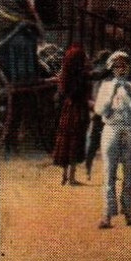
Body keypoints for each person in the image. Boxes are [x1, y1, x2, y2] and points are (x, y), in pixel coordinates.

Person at [92, 50, 131, 228]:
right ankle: (107, 215)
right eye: (117, 66)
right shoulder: (105, 87)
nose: (120, 69)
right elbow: (100, 111)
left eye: (123, 65)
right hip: (111, 128)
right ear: (111, 68)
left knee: (129, 175)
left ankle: (129, 213)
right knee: (109, 173)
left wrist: (130, 97)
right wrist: (111, 94)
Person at [51, 41, 91, 186]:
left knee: (66, 142)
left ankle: (64, 177)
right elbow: (82, 93)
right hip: (78, 109)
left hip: (67, 110)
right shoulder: (81, 77)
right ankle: (72, 178)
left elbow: (63, 94)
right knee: (75, 141)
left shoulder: (65, 77)